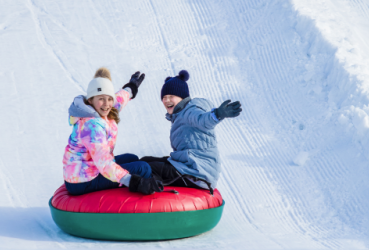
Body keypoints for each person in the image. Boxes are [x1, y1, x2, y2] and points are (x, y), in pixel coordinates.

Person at [63, 67, 163, 196]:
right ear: (90, 100)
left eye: (109, 99)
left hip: (89, 168)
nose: (106, 104)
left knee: (131, 158)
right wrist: (133, 181)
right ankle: (145, 204)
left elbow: (118, 100)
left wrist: (131, 88)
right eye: (101, 99)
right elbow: (104, 163)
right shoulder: (92, 126)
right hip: (82, 180)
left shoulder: (97, 110)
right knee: (142, 168)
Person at [142, 71, 242, 194]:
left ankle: (149, 196)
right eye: (164, 97)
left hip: (197, 172)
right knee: (145, 160)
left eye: (171, 96)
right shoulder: (179, 115)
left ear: (182, 97)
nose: (167, 100)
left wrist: (218, 114)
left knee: (148, 169)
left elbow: (202, 120)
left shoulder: (189, 111)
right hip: (189, 166)